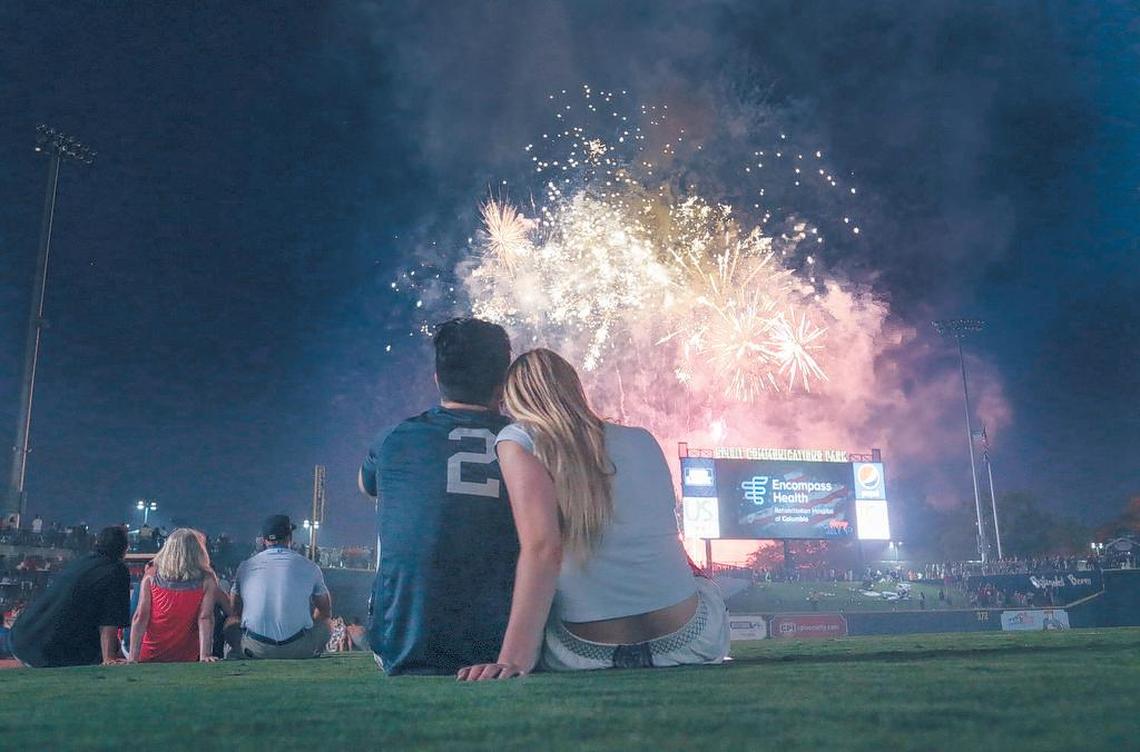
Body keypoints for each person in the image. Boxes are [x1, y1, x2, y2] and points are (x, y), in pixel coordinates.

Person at [458, 349, 730, 680]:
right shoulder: (644, 440)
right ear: (576, 388)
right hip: (691, 642)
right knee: (691, 568)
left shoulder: (519, 439)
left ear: (511, 397)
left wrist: (512, 660)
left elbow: (543, 550)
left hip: (584, 653)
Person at [359, 317, 518, 675]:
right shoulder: (528, 442)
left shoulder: (393, 437)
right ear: (503, 384)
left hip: (402, 646)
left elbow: (366, 486)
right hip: (505, 644)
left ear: (437, 379)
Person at [10, 526, 131, 667]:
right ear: (124, 548)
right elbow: (109, 620)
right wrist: (109, 658)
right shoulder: (116, 570)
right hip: (46, 652)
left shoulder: (81, 562)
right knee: (106, 648)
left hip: (20, 638)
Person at [223, 515, 331, 659]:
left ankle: (240, 651)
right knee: (326, 624)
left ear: (264, 540)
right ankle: (312, 650)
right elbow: (325, 610)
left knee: (231, 621)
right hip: (298, 650)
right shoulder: (310, 567)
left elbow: (234, 609)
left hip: (255, 648)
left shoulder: (245, 567)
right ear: (289, 538)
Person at [128, 528, 230, 663]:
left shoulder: (151, 576)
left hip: (150, 654)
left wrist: (132, 658)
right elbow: (205, 618)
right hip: (186, 656)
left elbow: (140, 617)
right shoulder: (207, 579)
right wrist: (205, 655)